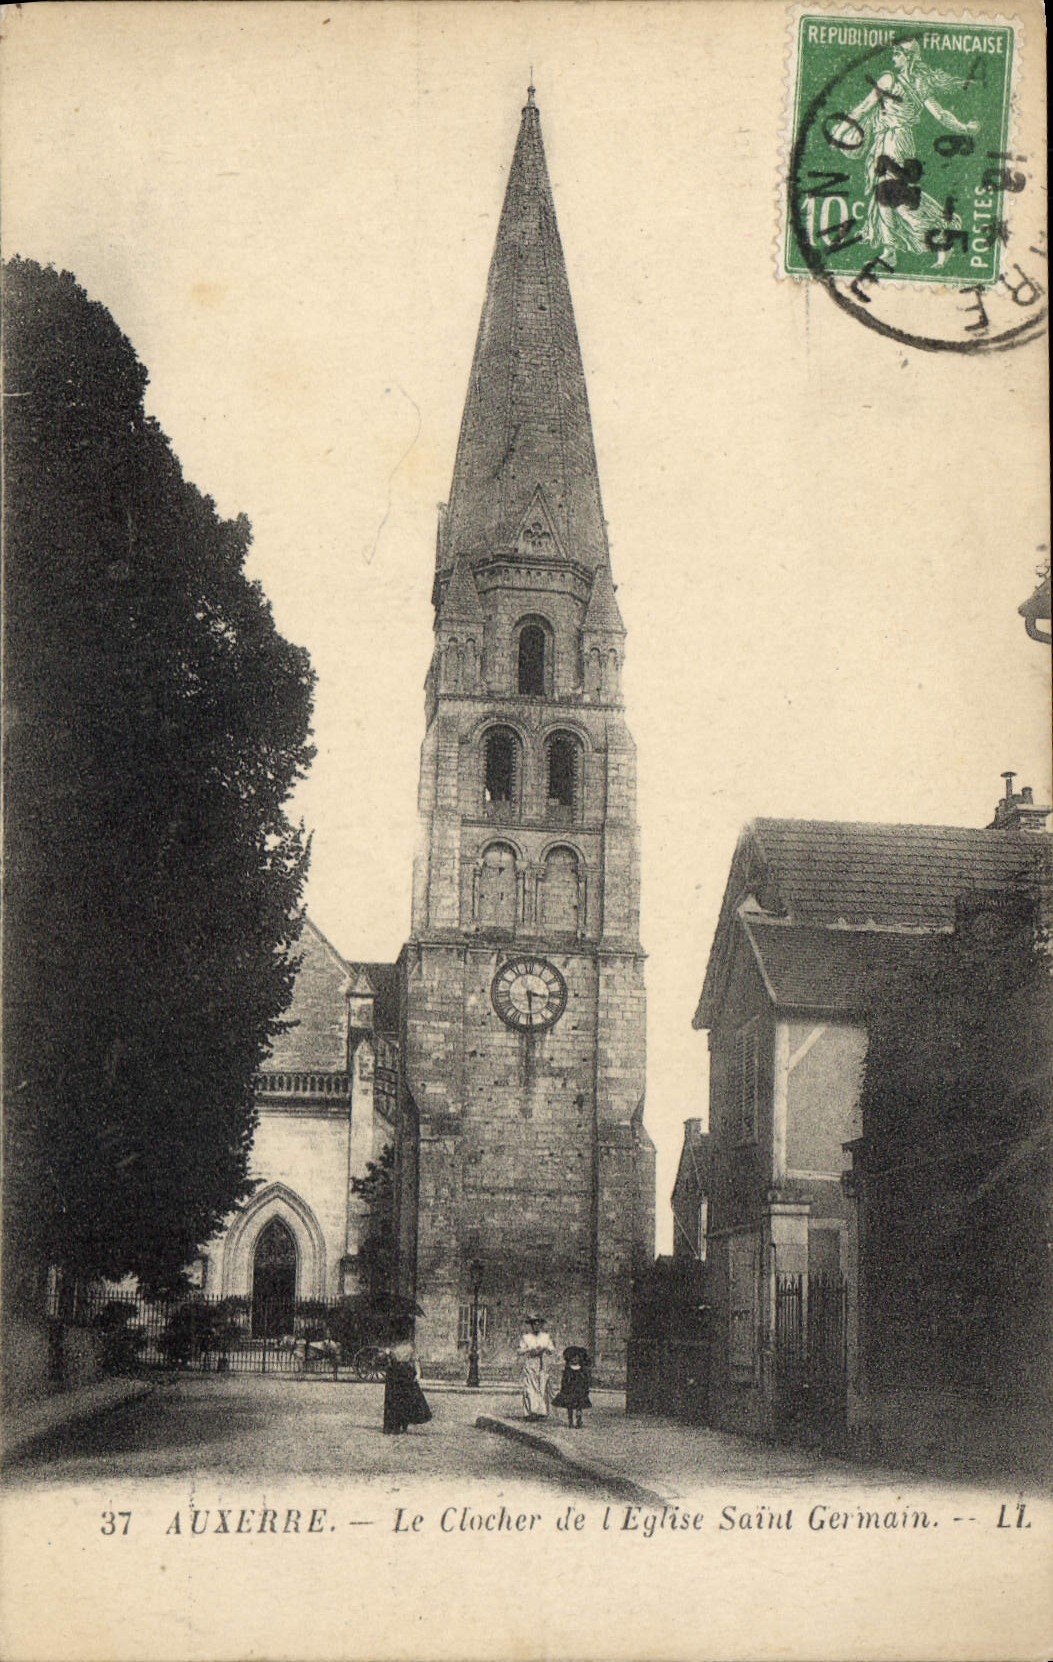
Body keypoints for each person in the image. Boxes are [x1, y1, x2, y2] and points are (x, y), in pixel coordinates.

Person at [831, 39, 979, 268]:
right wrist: (964, 127)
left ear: (908, 57)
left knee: (894, 196)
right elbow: (940, 114)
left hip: (894, 143)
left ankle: (942, 235)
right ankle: (892, 249)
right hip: (892, 141)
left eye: (897, 54)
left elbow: (865, 107)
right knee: (885, 196)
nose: (893, 58)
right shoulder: (916, 83)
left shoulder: (893, 80)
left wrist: (839, 132)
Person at [382, 1332, 432, 1435]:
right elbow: (414, 1360)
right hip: (397, 1373)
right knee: (396, 1399)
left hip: (401, 1373)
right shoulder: (394, 1346)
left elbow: (415, 1360)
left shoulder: (408, 1346)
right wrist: (387, 1354)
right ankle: (396, 1425)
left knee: (402, 1399)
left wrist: (418, 1373)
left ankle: (399, 1424)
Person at [518, 1315, 555, 1421]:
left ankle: (541, 1411)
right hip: (531, 1363)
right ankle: (531, 1412)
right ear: (531, 1325)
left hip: (542, 1363)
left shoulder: (546, 1337)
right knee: (530, 1387)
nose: (536, 1326)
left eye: (539, 1324)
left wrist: (545, 1348)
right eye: (534, 1324)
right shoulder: (526, 1337)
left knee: (542, 1387)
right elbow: (520, 1351)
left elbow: (552, 1349)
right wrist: (530, 1349)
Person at [552, 1344, 591, 1428]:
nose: (575, 1359)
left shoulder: (582, 1370)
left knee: (579, 1407)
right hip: (570, 1391)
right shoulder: (568, 1370)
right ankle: (570, 1421)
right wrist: (564, 1389)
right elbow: (564, 1381)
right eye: (573, 1357)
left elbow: (585, 1380)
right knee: (569, 1407)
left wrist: (586, 1389)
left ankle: (579, 1421)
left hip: (579, 1391)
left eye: (577, 1357)